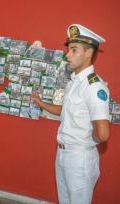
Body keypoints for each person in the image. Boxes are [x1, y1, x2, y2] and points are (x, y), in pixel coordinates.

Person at [32, 24, 110, 204]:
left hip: (79, 158)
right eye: (68, 50)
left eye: (74, 50)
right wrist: (41, 103)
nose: (67, 55)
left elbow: (103, 133)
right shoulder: (74, 82)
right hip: (63, 153)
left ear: (89, 53)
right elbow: (65, 111)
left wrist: (88, 139)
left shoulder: (94, 86)